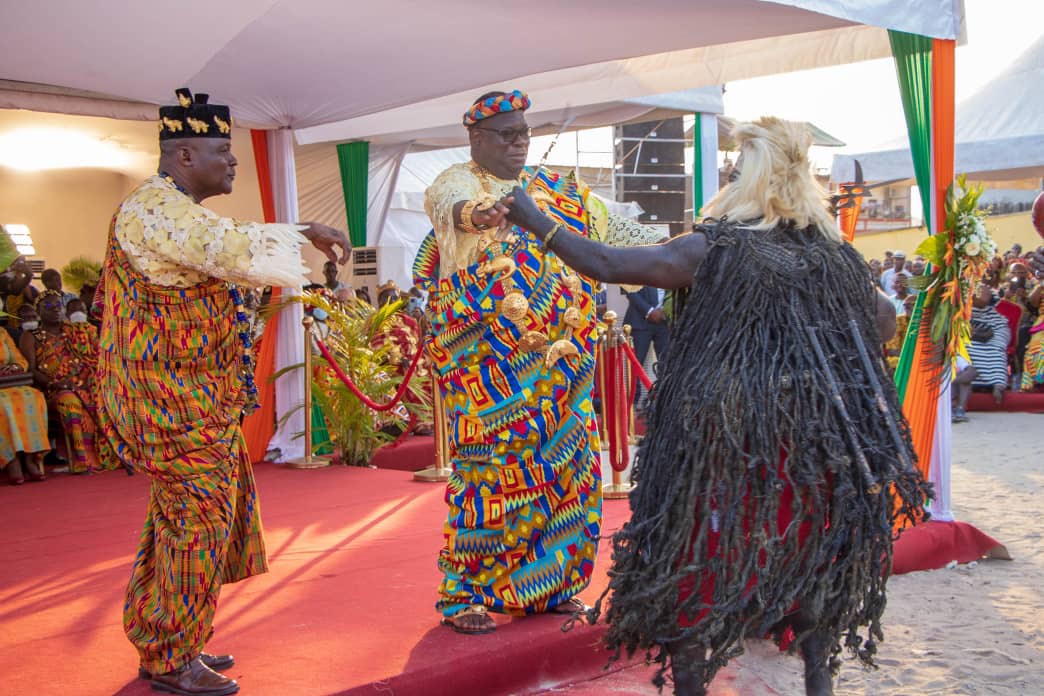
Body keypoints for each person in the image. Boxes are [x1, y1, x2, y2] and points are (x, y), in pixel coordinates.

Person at [503, 117, 931, 695]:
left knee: (694, 548)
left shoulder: (714, 249)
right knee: (803, 546)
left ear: (746, 178)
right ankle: (818, 683)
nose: (727, 174)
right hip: (805, 439)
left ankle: (692, 686)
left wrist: (535, 220)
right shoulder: (833, 255)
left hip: (719, 436)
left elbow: (607, 264)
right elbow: (883, 319)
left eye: (734, 168)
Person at [95, 88, 350, 695]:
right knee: (198, 521)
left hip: (192, 402)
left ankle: (166, 635)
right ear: (182, 156)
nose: (233, 163)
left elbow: (226, 245)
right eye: (222, 152)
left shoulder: (177, 209)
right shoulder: (155, 210)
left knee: (185, 519)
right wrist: (305, 228)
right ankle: (169, 656)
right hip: (166, 403)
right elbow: (233, 249)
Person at [414, 89, 666, 635]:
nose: (519, 141)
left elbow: (619, 237)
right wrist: (484, 210)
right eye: (507, 133)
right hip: (492, 373)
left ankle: (549, 589)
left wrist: (688, 244)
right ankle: (466, 594)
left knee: (569, 472)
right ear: (476, 138)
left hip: (564, 369)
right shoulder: (458, 181)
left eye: (524, 132)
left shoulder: (558, 189)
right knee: (492, 476)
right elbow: (455, 208)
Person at [19, 289, 113, 474]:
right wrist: (56, 384)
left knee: (105, 395)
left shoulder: (74, 331)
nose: (55, 310)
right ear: (38, 311)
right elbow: (30, 369)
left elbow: (92, 356)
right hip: (53, 390)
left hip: (83, 383)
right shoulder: (32, 336)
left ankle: (107, 456)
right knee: (70, 402)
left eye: (58, 306)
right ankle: (82, 460)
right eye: (49, 306)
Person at [0, 234, 50, 485]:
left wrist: (13, 367)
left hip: (9, 384)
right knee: (3, 406)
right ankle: (11, 460)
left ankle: (31, 455)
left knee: (33, 396)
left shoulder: (1, 334)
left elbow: (19, 360)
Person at [621, 285, 670, 405]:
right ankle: (631, 407)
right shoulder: (635, 265)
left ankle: (663, 404)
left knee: (667, 365)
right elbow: (629, 291)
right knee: (635, 365)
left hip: (665, 322)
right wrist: (649, 311)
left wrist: (665, 310)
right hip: (639, 321)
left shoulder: (672, 266)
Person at [967, 284, 1011, 403]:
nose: (983, 297)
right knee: (968, 351)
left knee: (997, 352)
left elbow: (1003, 332)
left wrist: (992, 339)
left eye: (987, 294)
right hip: (968, 341)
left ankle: (997, 385)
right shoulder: (962, 312)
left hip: (992, 341)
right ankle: (969, 384)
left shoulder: (996, 316)